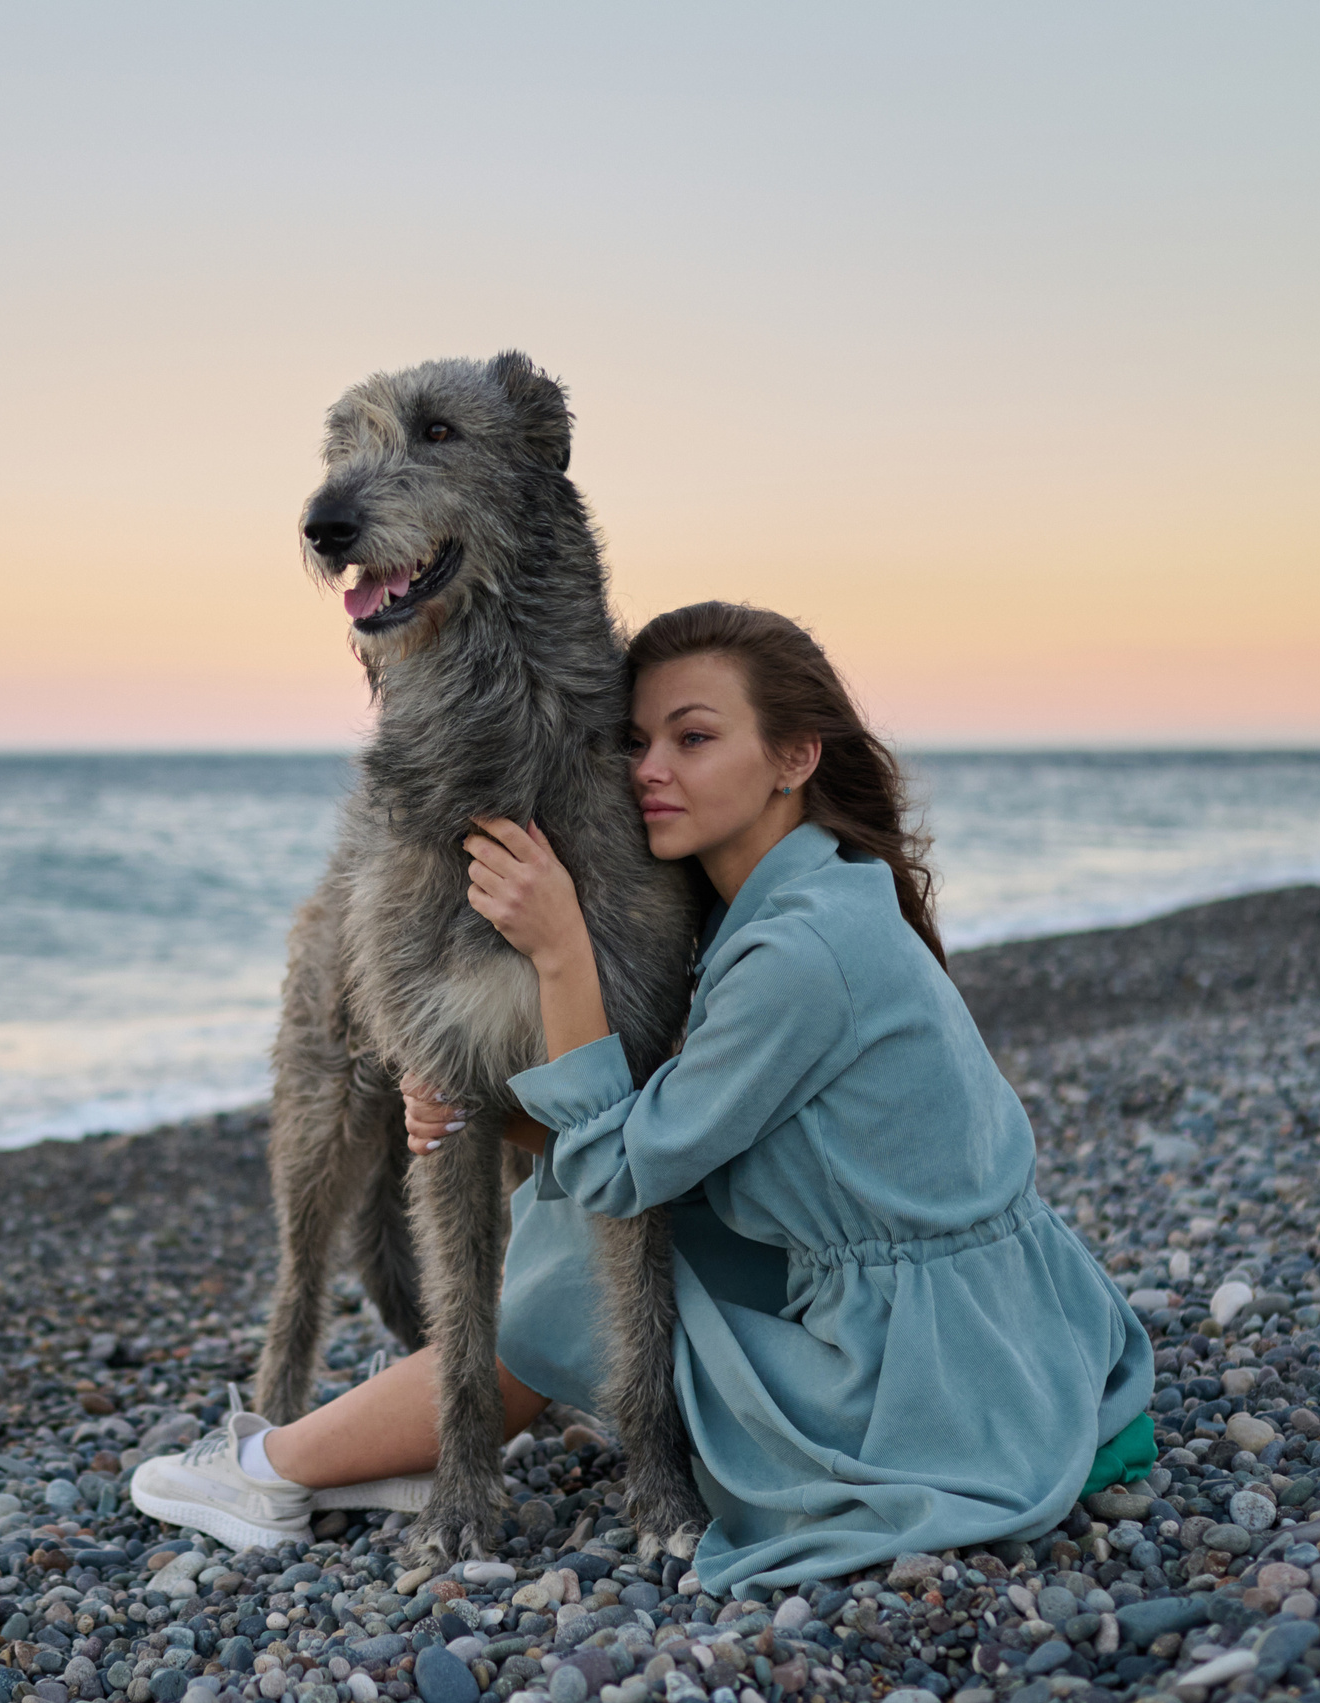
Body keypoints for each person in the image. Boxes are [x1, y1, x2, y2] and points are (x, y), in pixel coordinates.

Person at [132, 602, 1152, 1591]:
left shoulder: (798, 952)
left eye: (693, 739)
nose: (649, 769)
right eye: (634, 741)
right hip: (1015, 1329)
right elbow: (665, 1135)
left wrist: (561, 949)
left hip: (926, 1387)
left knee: (576, 1260)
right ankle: (378, 1449)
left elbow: (619, 1174)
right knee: (587, 1222)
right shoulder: (819, 888)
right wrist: (475, 1107)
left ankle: (267, 1472)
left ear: (795, 758)